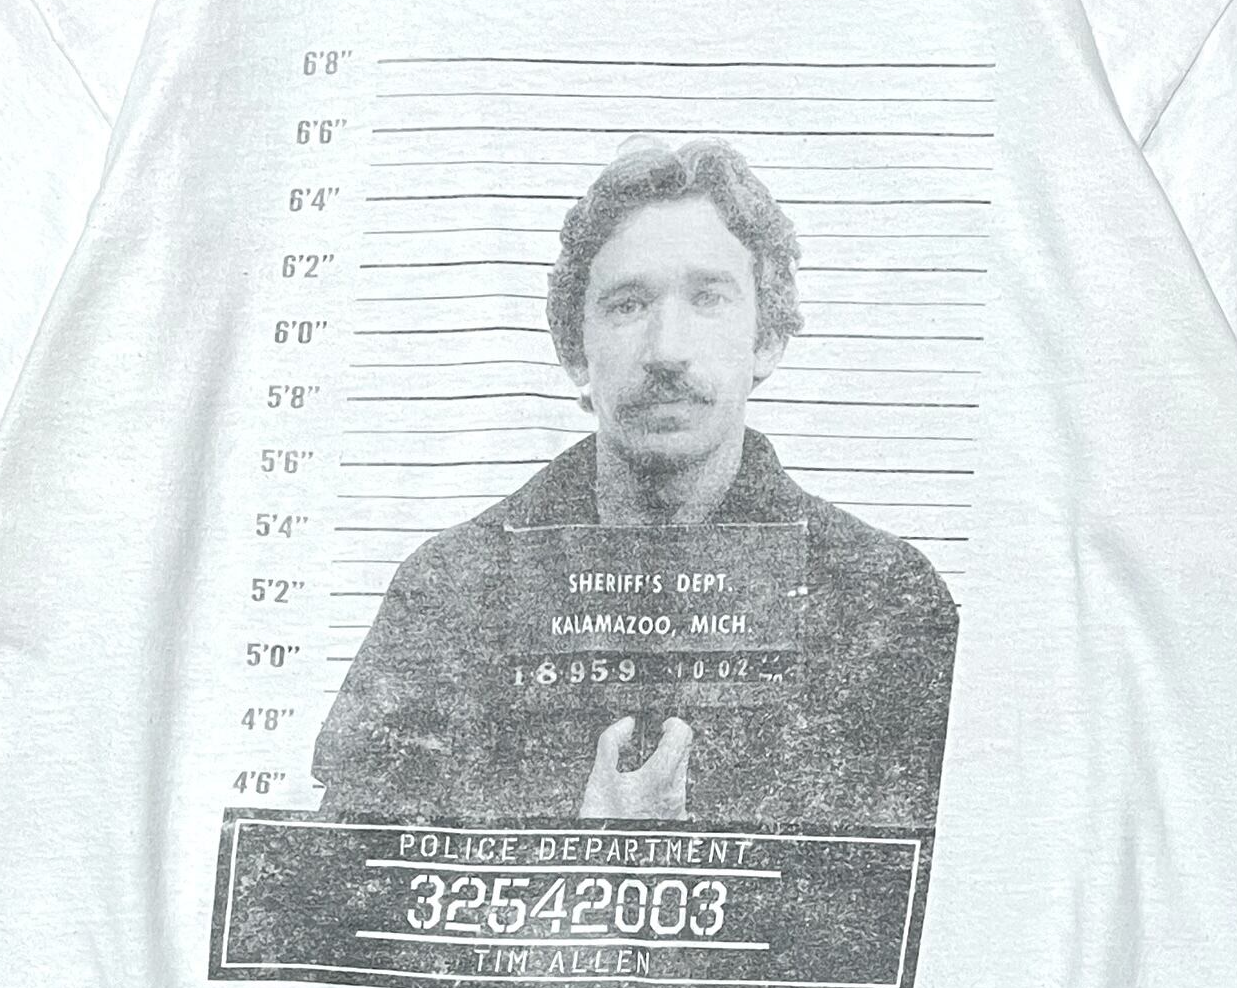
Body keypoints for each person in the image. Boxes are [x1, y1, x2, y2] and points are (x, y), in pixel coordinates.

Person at [313, 138, 960, 827]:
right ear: (574, 349)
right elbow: (346, 874)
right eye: (627, 305)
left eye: (708, 298)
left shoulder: (884, 601)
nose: (666, 351)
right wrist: (579, 842)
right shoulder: (453, 591)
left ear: (767, 338)